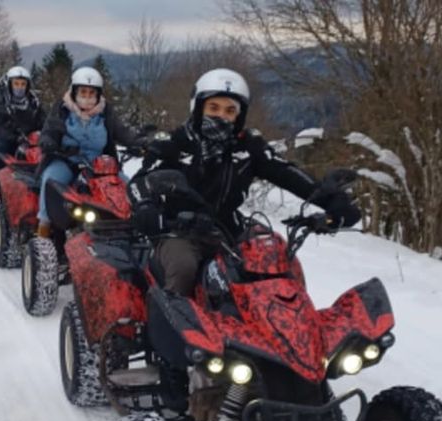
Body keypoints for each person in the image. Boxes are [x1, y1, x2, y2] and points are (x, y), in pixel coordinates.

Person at [131, 68, 361, 296]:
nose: (221, 116)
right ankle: (171, 323)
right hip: (180, 230)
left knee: (278, 260)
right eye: (214, 107)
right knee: (183, 268)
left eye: (230, 110)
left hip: (230, 229)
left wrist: (330, 199)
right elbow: (139, 182)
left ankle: (286, 327)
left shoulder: (248, 147)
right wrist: (146, 208)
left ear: (239, 115)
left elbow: (286, 172)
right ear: (198, 107)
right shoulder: (175, 142)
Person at [36, 66, 143, 237]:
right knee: (50, 179)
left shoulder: (105, 112)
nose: (87, 98)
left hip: (99, 166)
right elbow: (48, 131)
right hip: (67, 160)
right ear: (74, 92)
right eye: (83, 93)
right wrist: (50, 143)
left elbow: (122, 132)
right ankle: (44, 226)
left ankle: (130, 230)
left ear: (98, 94)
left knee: (127, 187)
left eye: (91, 93)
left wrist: (140, 142)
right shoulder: (62, 109)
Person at [0, 66, 46, 158]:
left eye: (23, 84)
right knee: (1, 149)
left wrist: (41, 134)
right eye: (16, 84)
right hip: (10, 142)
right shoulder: (1, 104)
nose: (20, 87)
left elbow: (44, 122)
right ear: (9, 85)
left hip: (33, 142)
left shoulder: (34, 103)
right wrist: (15, 138)